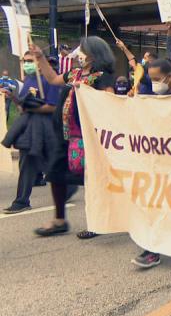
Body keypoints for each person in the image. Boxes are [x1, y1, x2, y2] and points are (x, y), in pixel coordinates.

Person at [28, 37, 116, 237]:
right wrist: (40, 57)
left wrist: (86, 92)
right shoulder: (73, 73)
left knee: (93, 179)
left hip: (89, 136)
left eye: (82, 50)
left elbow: (109, 101)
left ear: (93, 54)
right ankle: (59, 220)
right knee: (55, 173)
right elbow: (52, 79)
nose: (78, 54)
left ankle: (98, 221)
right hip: (66, 134)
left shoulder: (102, 76)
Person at [131, 59, 171, 267]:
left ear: (169, 77)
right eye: (151, 78)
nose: (154, 82)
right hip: (157, 163)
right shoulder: (149, 98)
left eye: (157, 79)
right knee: (155, 204)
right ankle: (152, 250)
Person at [1, 52, 61, 213]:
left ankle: (67, 189)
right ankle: (21, 201)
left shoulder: (50, 81)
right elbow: (22, 106)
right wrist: (13, 97)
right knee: (26, 164)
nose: (26, 64)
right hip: (29, 128)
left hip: (46, 129)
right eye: (24, 61)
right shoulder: (28, 80)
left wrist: (34, 107)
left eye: (29, 61)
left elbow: (54, 106)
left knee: (55, 166)